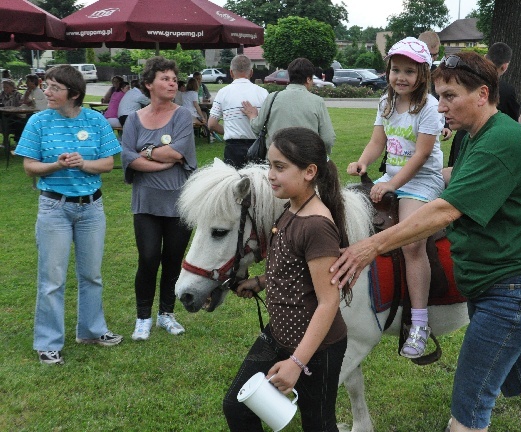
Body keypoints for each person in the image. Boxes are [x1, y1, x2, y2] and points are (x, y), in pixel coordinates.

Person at [330, 51, 521, 432]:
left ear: (481, 94)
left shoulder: (501, 140)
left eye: (450, 96)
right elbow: (461, 174)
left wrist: (371, 246)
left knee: (468, 413)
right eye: (439, 97)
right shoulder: (479, 135)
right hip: (500, 286)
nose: (440, 108)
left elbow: (444, 212)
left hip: (513, 291)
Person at [223, 127, 350, 432]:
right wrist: (261, 281)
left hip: (316, 350)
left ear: (310, 172)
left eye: (280, 167)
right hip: (277, 334)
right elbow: (295, 268)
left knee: (317, 424)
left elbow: (328, 301)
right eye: (270, 165)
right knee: (237, 407)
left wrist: (297, 363)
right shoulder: (290, 208)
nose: (271, 175)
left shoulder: (316, 225)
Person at [14, 65, 124, 365]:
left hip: (91, 209)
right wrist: (57, 166)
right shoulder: (38, 122)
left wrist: (83, 163)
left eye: (54, 88)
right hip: (54, 208)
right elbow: (29, 167)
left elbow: (107, 163)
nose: (46, 92)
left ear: (73, 94)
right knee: (52, 278)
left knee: (92, 275)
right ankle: (48, 343)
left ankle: (91, 330)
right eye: (46, 86)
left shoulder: (96, 120)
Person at [347, 37, 444, 359]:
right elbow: (378, 141)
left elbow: (422, 154)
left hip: (422, 180)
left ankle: (419, 322)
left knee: (412, 242)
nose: (400, 77)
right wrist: (363, 161)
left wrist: (392, 185)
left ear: (422, 75)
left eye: (409, 72)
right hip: (392, 176)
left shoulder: (429, 107)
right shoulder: (385, 103)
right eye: (395, 70)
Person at [120, 56, 197, 341]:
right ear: (149, 84)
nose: (172, 83)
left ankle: (166, 313)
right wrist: (160, 161)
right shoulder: (135, 119)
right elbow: (127, 155)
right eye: (165, 78)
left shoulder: (182, 116)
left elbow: (178, 153)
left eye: (174, 79)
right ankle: (143, 317)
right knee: (149, 258)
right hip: (146, 202)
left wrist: (147, 153)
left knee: (173, 260)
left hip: (179, 202)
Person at [448, 42, 521, 166]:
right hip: (491, 145)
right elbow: (512, 121)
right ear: (505, 67)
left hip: (463, 139)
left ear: (486, 57)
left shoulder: (467, 82)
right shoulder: (507, 91)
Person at [241, 58, 336, 154]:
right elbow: (328, 139)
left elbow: (257, 128)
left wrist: (252, 116)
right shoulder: (317, 102)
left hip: (277, 159)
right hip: (305, 160)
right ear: (308, 79)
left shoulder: (272, 98)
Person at [208, 54, 268, 169]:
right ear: (251, 72)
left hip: (233, 148)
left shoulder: (222, 92)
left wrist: (229, 130)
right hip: (257, 146)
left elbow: (211, 124)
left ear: (231, 72)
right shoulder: (263, 93)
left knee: (233, 184)